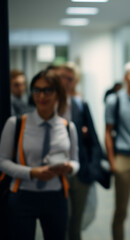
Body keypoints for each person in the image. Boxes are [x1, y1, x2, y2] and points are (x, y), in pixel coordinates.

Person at [0, 69, 79, 240]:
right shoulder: (16, 124)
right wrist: (32, 172)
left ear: (58, 93)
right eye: (37, 90)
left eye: (48, 90)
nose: (41, 96)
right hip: (22, 195)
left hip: (56, 196)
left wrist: (69, 167)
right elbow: (3, 162)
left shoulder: (67, 127)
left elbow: (75, 161)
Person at [53, 63, 108, 240]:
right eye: (63, 77)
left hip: (80, 172)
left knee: (75, 223)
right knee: (61, 221)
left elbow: (94, 139)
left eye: (71, 79)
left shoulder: (79, 104)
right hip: (54, 173)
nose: (67, 82)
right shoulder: (46, 104)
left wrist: (92, 169)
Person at [105, 61, 130, 240]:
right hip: (123, 157)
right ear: (126, 78)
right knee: (121, 209)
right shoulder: (115, 100)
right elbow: (107, 132)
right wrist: (112, 162)